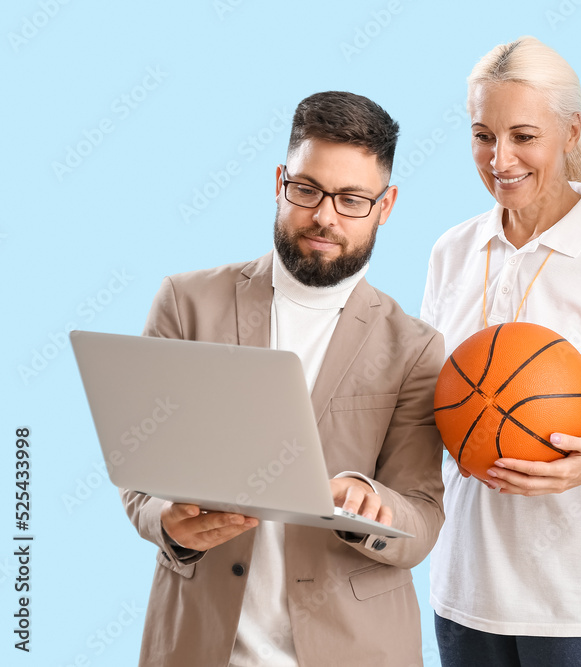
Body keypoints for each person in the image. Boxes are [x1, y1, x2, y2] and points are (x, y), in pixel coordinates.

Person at [120, 91, 445, 667]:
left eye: (351, 199)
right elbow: (142, 477)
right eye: (307, 190)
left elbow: (421, 518)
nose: (324, 216)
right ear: (279, 181)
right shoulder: (186, 304)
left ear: (386, 205)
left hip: (355, 649)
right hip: (199, 644)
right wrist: (167, 525)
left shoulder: (414, 347)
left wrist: (373, 503)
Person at [421, 36, 581, 666]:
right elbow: (432, 404)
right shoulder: (452, 251)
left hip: (580, 603)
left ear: (571, 132)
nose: (499, 157)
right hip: (463, 590)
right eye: (483, 135)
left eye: (523, 136)